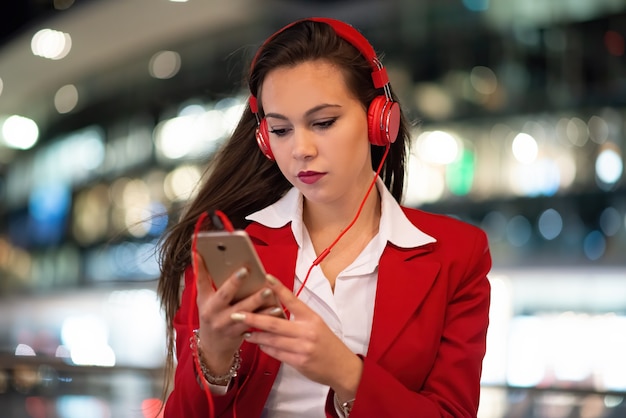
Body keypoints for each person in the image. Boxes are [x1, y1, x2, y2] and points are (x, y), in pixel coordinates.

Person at [157, 17, 491, 418]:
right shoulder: (230, 247)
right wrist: (212, 357)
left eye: (323, 123)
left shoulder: (457, 254)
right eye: (280, 130)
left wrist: (347, 374)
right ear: (264, 140)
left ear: (379, 119)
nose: (301, 149)